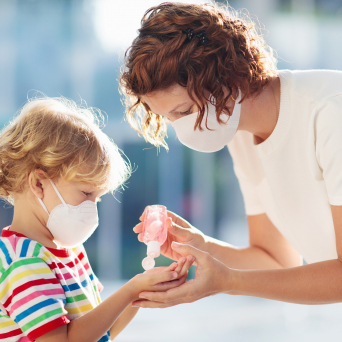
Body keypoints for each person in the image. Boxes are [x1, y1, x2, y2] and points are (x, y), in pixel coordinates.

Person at [119, 2, 342, 309]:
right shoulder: (240, 134)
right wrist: (200, 246)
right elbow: (276, 262)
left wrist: (228, 282)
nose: (182, 131)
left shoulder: (331, 113)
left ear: (226, 76)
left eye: (183, 111)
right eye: (170, 119)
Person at [0, 97, 194, 341]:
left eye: (97, 198)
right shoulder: (24, 262)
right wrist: (130, 289)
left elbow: (102, 331)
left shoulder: (70, 249)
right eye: (86, 193)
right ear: (38, 183)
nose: (91, 209)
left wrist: (140, 292)